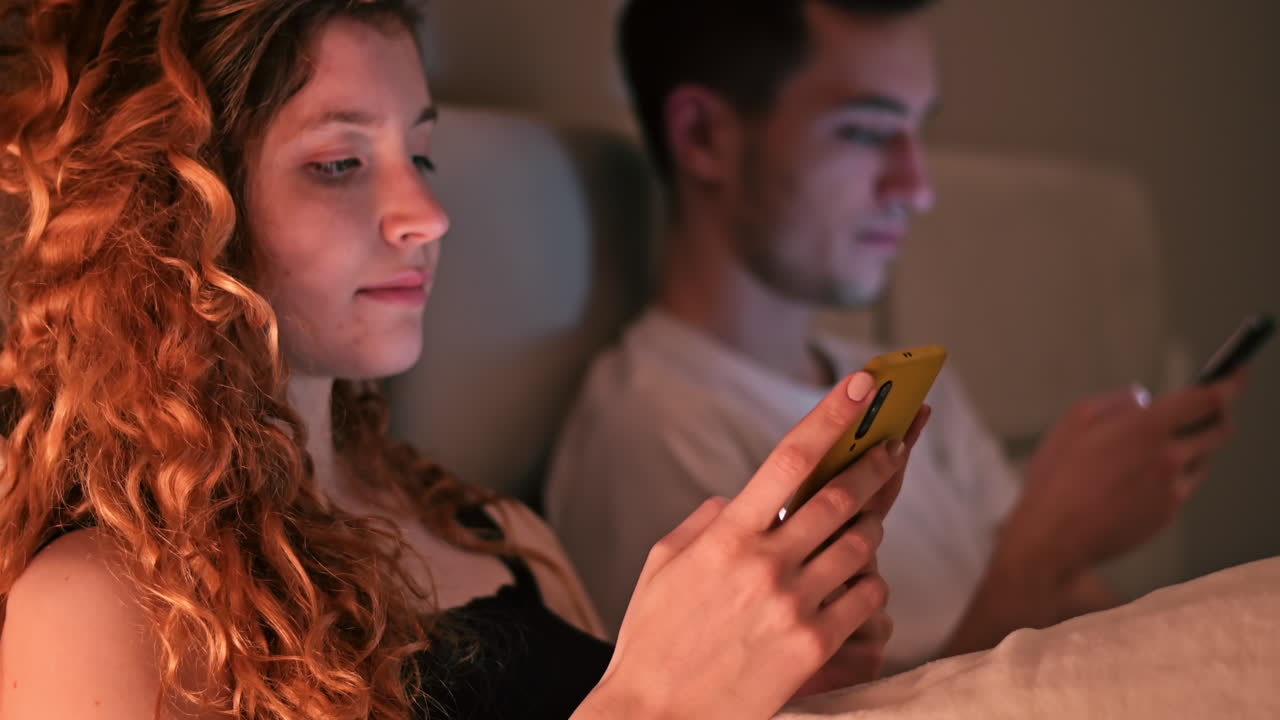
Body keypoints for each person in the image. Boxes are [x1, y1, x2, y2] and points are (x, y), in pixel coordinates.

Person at [0, 0, 930, 718]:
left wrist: (777, 680)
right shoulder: (99, 606)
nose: (428, 215)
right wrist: (652, 704)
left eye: (423, 155)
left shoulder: (497, 534)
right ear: (170, 211)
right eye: (338, 163)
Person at [545, 0, 1245, 673]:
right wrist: (1044, 548)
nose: (917, 187)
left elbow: (1069, 609)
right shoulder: (651, 431)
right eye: (869, 132)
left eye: (917, 131)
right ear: (703, 136)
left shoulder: (894, 384)